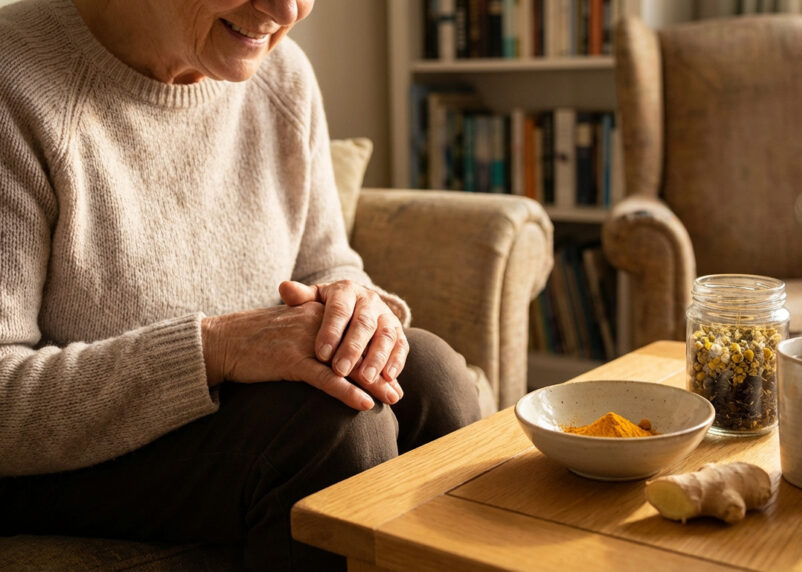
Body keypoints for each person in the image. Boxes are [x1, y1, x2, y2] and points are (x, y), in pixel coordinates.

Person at [0, 0, 482, 568]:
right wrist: (219, 348)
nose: (286, 9)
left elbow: (327, 264)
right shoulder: (16, 80)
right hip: (52, 459)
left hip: (234, 420)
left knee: (431, 374)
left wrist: (354, 308)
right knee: (330, 430)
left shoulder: (282, 75)